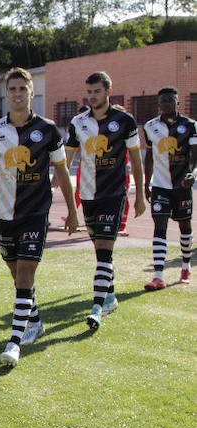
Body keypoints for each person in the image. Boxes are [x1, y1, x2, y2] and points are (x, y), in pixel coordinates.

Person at [0, 68, 78, 367]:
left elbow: (63, 172)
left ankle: (15, 342)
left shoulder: (49, 129)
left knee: (26, 273)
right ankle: (35, 320)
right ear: (7, 94)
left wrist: (72, 209)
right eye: (12, 89)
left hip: (36, 212)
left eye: (22, 88)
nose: (16, 93)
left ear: (31, 92)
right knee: (17, 276)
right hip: (5, 215)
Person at [64, 72, 146, 328]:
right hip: (87, 194)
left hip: (114, 193)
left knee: (103, 250)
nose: (92, 97)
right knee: (101, 252)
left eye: (96, 92)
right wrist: (58, 184)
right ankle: (109, 295)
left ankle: (97, 307)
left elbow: (136, 158)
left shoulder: (125, 121)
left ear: (108, 91)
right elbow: (66, 159)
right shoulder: (78, 122)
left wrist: (141, 194)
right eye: (89, 92)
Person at [142, 86, 197, 290]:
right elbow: (148, 156)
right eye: (163, 101)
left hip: (182, 185)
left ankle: (185, 265)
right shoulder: (150, 126)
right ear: (159, 104)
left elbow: (195, 155)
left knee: (185, 227)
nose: (166, 104)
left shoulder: (190, 125)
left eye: (170, 101)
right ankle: (158, 275)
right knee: (160, 227)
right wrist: (147, 182)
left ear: (177, 103)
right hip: (160, 186)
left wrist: (192, 174)